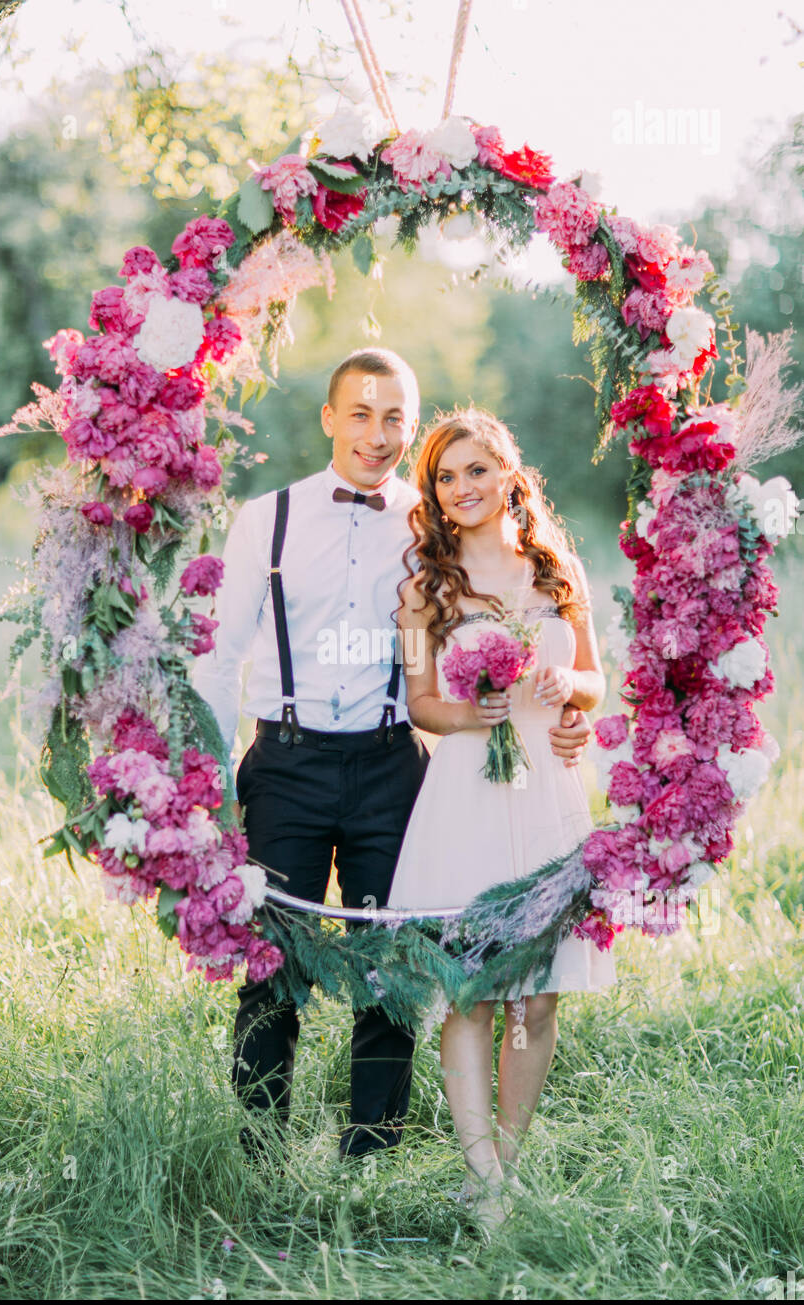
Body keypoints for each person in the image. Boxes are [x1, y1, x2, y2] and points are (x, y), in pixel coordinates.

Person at [192, 351, 593, 1160]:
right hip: (285, 763)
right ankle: (258, 1155)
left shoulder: (434, 528)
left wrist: (565, 710)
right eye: (362, 414)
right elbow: (217, 651)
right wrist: (202, 778)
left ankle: (371, 1150)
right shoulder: (264, 520)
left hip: (391, 766)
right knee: (272, 966)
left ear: (411, 429)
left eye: (395, 418)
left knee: (393, 966)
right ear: (330, 419)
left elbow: (508, 644)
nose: (377, 435)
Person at [387, 406, 616, 1228]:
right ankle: (477, 1170)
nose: (461, 489)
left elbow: (594, 679)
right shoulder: (423, 589)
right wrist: (471, 713)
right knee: (470, 993)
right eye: (445, 478)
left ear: (510, 475)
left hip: (549, 792)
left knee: (540, 997)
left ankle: (506, 1170)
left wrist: (569, 698)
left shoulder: (558, 572)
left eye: (476, 470)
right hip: (465, 795)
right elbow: (419, 704)